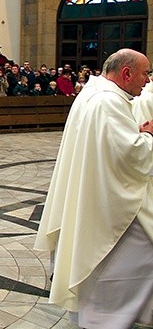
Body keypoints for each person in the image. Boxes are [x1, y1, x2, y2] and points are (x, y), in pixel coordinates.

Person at [34, 48, 153, 328]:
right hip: (104, 200)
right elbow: (131, 156)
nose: (147, 81)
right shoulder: (107, 102)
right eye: (145, 74)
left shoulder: (95, 92)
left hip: (92, 190)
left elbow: (113, 144)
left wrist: (137, 134)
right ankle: (108, 319)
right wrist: (148, 136)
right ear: (126, 73)